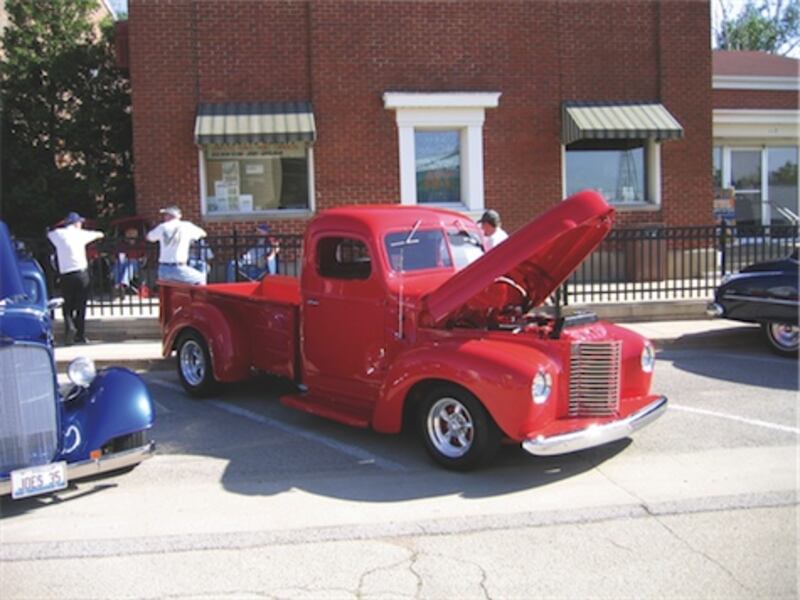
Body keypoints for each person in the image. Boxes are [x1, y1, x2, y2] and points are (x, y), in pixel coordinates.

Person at [47, 211, 104, 344]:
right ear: (76, 223)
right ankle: (81, 335)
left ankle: (69, 329)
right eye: (80, 222)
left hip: (66, 274)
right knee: (81, 305)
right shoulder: (81, 234)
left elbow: (49, 234)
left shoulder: (57, 235)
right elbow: (98, 234)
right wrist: (101, 234)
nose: (81, 224)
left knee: (67, 306)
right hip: (81, 273)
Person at [146, 205, 208, 285]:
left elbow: (149, 237)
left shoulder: (162, 227)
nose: (164, 217)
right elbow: (203, 234)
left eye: (166, 215)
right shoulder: (186, 226)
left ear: (169, 216)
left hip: (163, 269)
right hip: (179, 268)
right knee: (200, 278)